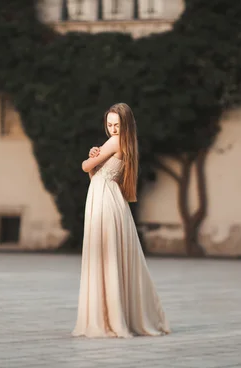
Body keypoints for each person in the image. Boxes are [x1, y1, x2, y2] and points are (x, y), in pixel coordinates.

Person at [72, 102, 171, 338]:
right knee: (109, 256)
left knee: (103, 256)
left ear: (125, 124)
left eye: (117, 124)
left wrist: (91, 157)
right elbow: (94, 174)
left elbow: (86, 166)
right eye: (109, 124)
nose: (113, 128)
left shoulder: (115, 142)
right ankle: (114, 316)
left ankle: (107, 319)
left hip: (104, 201)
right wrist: (94, 161)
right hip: (110, 198)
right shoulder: (127, 143)